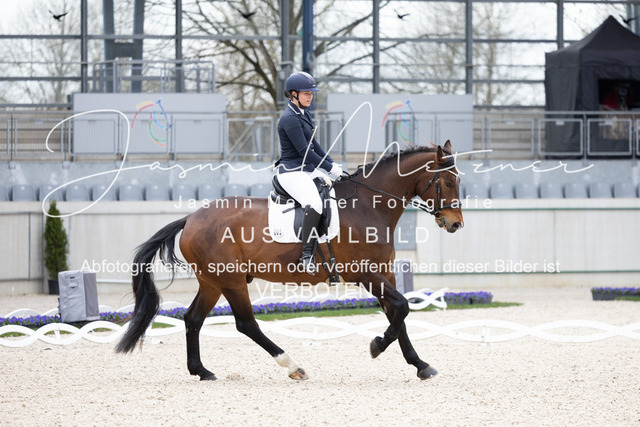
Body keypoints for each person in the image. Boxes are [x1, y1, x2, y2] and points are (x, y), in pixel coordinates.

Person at [276, 71, 343, 274]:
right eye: (307, 93)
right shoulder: (289, 118)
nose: (310, 97)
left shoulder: (303, 114)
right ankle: (306, 256)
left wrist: (332, 164)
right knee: (314, 203)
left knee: (334, 192)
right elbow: (304, 151)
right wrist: (328, 168)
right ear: (294, 94)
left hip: (306, 170)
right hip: (291, 172)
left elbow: (316, 146)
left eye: (311, 93)